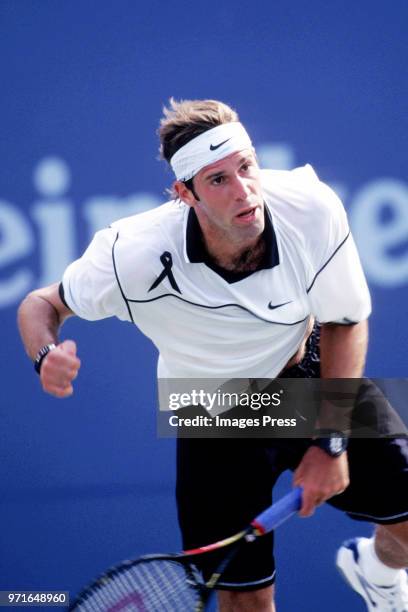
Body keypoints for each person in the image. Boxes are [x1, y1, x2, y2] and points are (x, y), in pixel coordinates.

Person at [18, 99, 408, 611]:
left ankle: (377, 573)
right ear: (186, 194)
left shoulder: (310, 209)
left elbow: (345, 319)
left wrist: (331, 442)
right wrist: (45, 354)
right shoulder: (130, 253)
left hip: (306, 374)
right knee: (246, 602)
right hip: (210, 407)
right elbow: (41, 303)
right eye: (218, 180)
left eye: (246, 166)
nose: (244, 190)